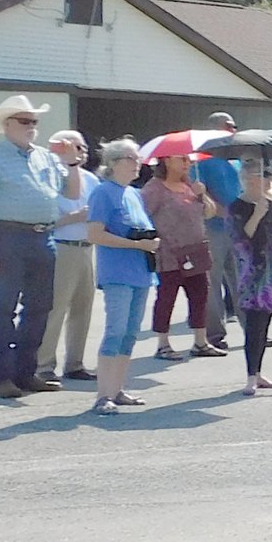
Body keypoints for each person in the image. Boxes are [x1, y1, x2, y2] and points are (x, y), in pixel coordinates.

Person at [0, 94, 68, 397]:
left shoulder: (45, 157)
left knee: (40, 307)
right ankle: (0, 377)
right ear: (7, 124)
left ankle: (26, 372)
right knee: (5, 308)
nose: (32, 127)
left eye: (35, 121)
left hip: (43, 237)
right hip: (7, 236)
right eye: (25, 121)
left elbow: (67, 188)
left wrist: (72, 159)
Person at [83, 139, 162, 416]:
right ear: (114, 162)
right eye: (130, 158)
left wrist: (147, 242)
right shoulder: (103, 193)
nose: (137, 163)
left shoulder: (134, 194)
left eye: (138, 158)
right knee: (115, 331)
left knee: (129, 334)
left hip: (140, 272)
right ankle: (102, 395)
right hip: (117, 273)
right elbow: (95, 234)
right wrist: (137, 245)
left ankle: (117, 390)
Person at [144, 152, 225, 361]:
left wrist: (202, 195)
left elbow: (209, 212)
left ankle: (200, 341)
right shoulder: (154, 189)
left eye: (188, 160)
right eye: (182, 159)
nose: (187, 164)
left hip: (196, 250)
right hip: (170, 252)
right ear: (167, 160)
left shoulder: (190, 184)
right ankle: (163, 344)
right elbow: (143, 217)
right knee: (167, 297)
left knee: (200, 295)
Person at [229, 162, 272, 396]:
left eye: (266, 176)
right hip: (253, 274)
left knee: (264, 327)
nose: (264, 181)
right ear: (247, 179)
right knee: (254, 325)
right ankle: (250, 376)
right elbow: (240, 239)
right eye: (258, 176)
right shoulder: (238, 206)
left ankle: (258, 372)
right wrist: (257, 214)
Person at [38, 130, 98, 382]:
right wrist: (74, 217)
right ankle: (43, 365)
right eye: (72, 147)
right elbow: (45, 222)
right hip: (62, 246)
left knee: (83, 307)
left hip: (86, 247)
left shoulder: (91, 180)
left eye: (82, 147)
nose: (79, 152)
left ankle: (75, 363)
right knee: (56, 307)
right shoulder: (49, 178)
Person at [192, 112, 241, 356]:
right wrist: (218, 209)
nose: (234, 131)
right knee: (212, 281)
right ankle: (215, 334)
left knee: (242, 278)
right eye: (230, 126)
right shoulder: (201, 161)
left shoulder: (234, 160)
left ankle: (252, 328)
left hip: (239, 227)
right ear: (218, 128)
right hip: (214, 228)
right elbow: (196, 192)